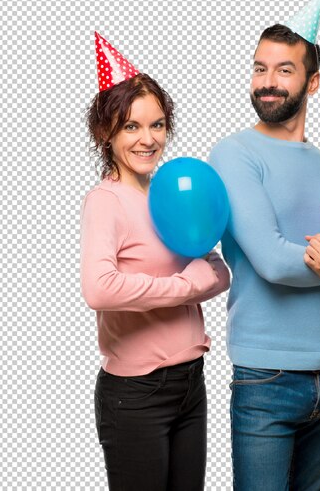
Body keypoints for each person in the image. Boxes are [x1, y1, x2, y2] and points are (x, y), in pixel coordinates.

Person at [208, 0, 320, 491]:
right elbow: (271, 260)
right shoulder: (233, 154)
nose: (267, 82)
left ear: (313, 82)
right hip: (266, 377)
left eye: (284, 70)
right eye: (259, 68)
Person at [80, 32, 230, 491]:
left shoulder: (169, 191)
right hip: (136, 394)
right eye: (131, 127)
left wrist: (205, 275)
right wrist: (187, 287)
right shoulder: (106, 201)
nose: (148, 140)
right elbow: (99, 289)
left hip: (190, 381)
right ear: (106, 132)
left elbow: (218, 266)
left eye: (158, 125)